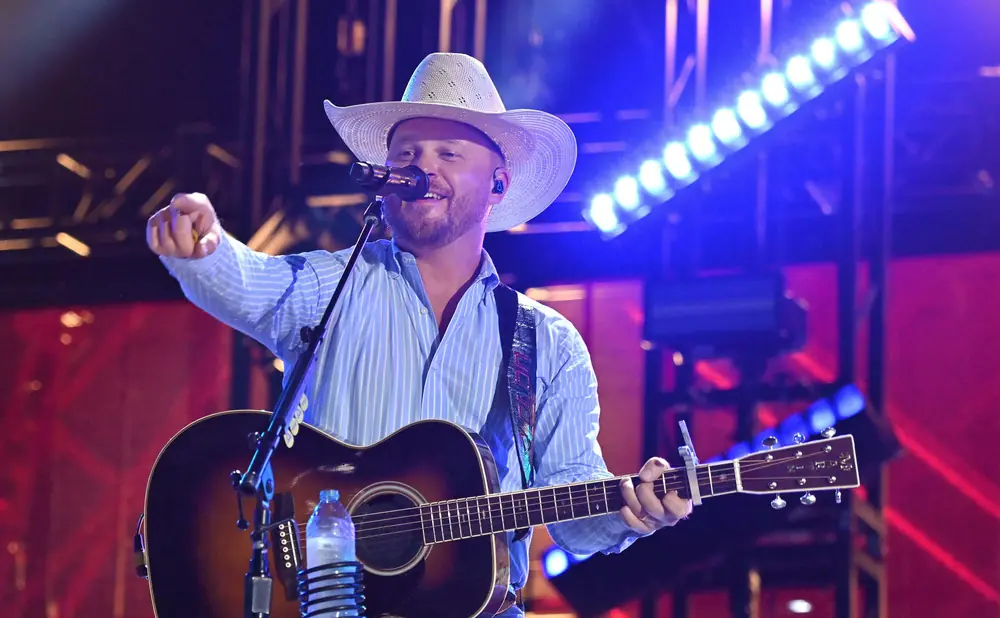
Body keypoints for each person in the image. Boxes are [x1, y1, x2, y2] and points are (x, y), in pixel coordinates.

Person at [148, 52, 691, 614]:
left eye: (447, 154)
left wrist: (637, 509)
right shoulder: (332, 284)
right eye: (405, 154)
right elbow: (251, 282)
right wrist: (205, 249)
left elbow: (576, 511)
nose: (420, 168)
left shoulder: (546, 343)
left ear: (498, 184)